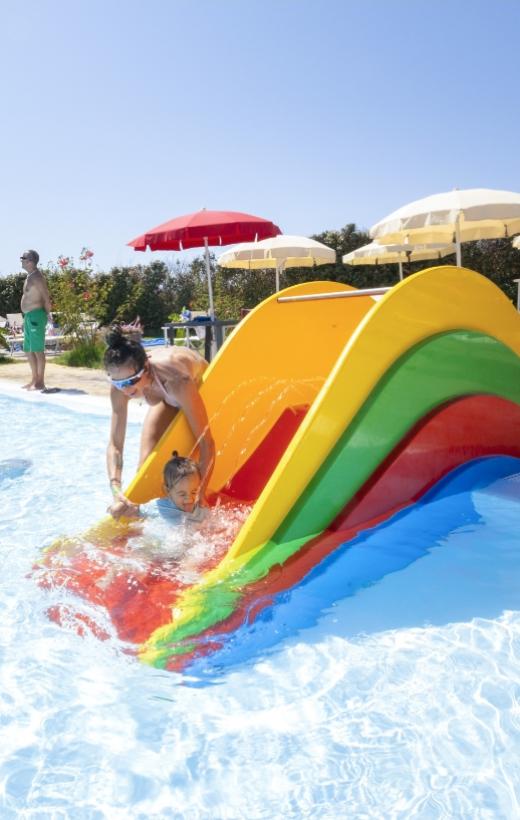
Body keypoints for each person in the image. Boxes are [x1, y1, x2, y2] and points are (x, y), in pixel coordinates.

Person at [104, 326, 215, 520]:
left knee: (190, 463)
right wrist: (116, 489)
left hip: (200, 389)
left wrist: (201, 495)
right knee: (145, 467)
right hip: (166, 397)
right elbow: (115, 446)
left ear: (146, 368)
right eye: (118, 383)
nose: (125, 389)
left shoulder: (177, 381)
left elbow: (207, 443)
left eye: (131, 381)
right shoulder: (121, 388)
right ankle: (140, 516)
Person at [19, 250, 52, 391]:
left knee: (37, 350)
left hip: (36, 316)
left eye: (23, 258)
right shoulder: (29, 276)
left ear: (30, 261)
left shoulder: (37, 277)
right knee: (28, 350)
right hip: (29, 317)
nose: (21, 260)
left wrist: (46, 316)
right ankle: (34, 379)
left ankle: (40, 382)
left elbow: (46, 297)